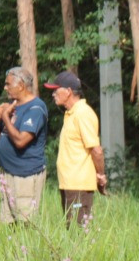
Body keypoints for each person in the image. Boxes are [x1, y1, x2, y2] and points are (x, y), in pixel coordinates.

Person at [44, 71, 106, 227]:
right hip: (69, 184)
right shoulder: (71, 114)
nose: (53, 94)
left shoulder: (83, 114)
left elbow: (96, 150)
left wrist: (100, 175)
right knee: (70, 228)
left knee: (77, 231)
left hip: (79, 185)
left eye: (56, 90)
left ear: (69, 91)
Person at [0, 66, 48, 223]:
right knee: (8, 223)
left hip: (25, 175)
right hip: (7, 173)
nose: (5, 87)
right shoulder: (11, 106)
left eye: (8, 84)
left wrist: (5, 118)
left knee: (25, 222)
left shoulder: (36, 108)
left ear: (21, 85)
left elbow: (21, 141)